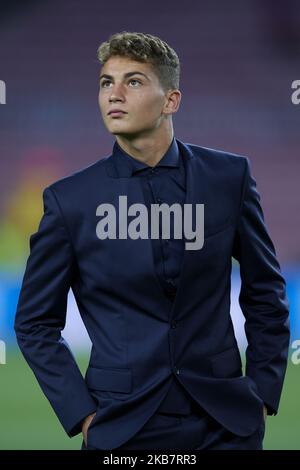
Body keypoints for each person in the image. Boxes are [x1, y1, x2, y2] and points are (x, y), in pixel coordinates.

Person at [14, 31, 290, 450]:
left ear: (171, 101)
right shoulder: (70, 201)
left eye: (134, 81)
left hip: (225, 424)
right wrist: (82, 414)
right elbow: (35, 322)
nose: (115, 94)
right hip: (122, 426)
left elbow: (266, 291)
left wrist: (263, 393)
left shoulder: (229, 178)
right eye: (107, 82)